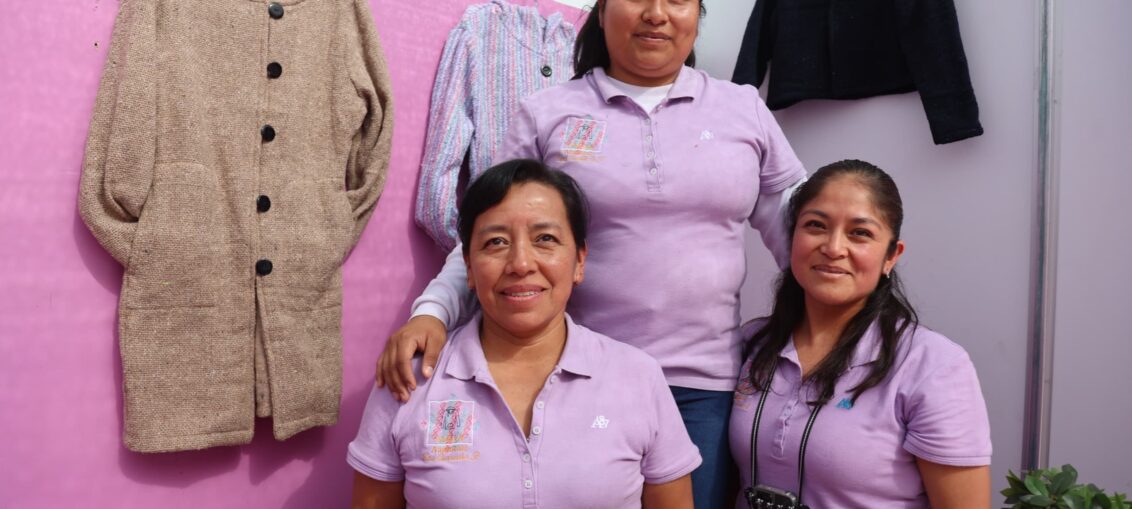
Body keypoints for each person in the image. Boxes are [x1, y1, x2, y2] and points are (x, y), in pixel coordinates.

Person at [380, 1, 806, 506]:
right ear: (600, 12)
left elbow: (806, 240)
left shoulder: (743, 109)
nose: (656, 13)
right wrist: (432, 312)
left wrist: (862, 332)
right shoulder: (547, 112)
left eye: (677, 0)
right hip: (577, 377)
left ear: (698, 14)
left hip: (706, 387)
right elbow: (492, 231)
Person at [349, 160, 700, 508]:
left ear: (579, 261)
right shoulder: (410, 380)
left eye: (545, 239)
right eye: (496, 242)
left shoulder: (637, 377)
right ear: (468, 267)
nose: (521, 263)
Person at [730, 160, 992, 509]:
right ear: (791, 238)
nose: (833, 247)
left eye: (860, 233)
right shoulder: (752, 342)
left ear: (891, 256)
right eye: (816, 226)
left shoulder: (934, 366)